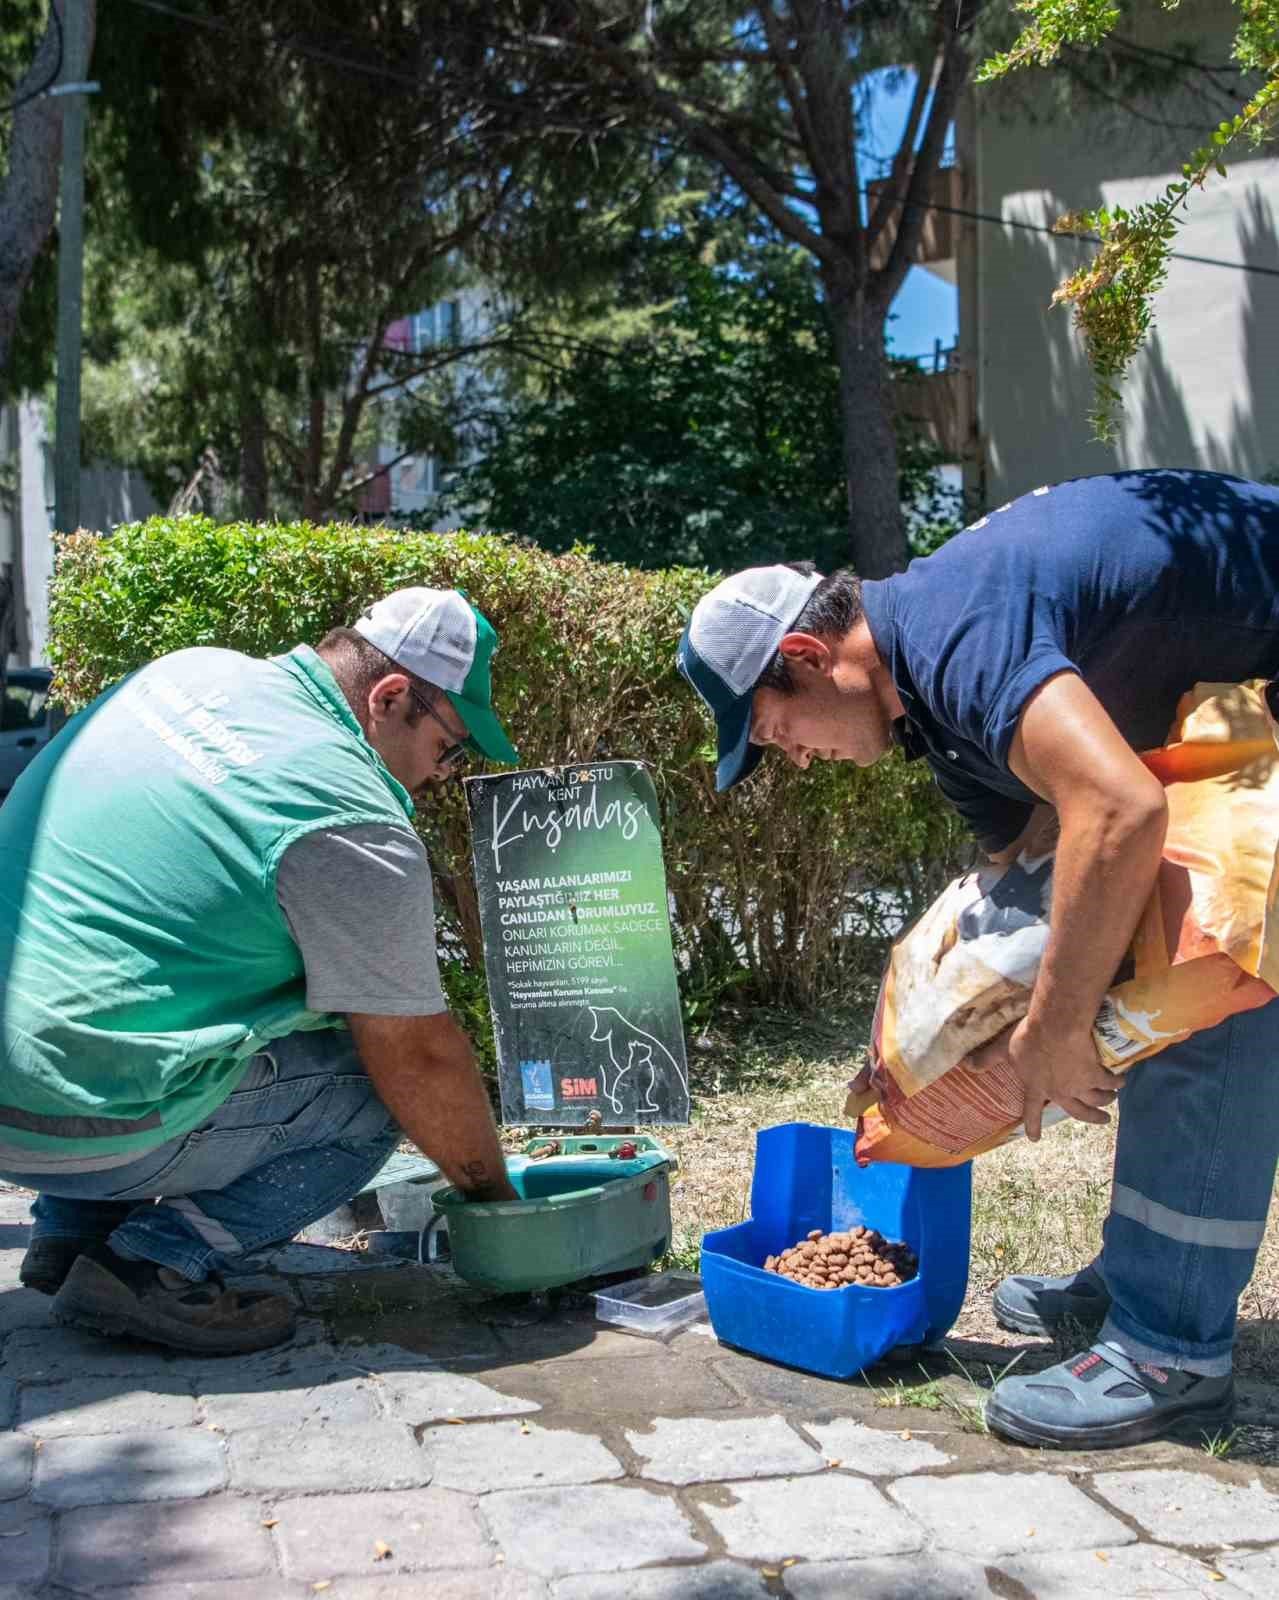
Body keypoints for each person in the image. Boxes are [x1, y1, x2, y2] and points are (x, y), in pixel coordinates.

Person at [677, 468, 1279, 1449]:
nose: (791, 759)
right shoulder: (940, 721)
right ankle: (1143, 1279)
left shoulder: (956, 630)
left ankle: (1170, 1347)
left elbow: (1121, 813)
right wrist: (915, 1058)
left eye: (776, 731)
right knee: (1140, 963)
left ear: (804, 653)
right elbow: (1022, 898)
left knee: (1215, 955)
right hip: (1242, 712)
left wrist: (1050, 1031)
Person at [0, 587, 520, 1355]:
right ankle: (149, 1264)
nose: (444, 773)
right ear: (391, 696)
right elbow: (418, 1057)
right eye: (451, 746)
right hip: (72, 1127)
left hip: (16, 1105)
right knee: (379, 1086)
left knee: (152, 985)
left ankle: (69, 1234)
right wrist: (497, 1205)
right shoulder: (349, 819)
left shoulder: (185, 674)